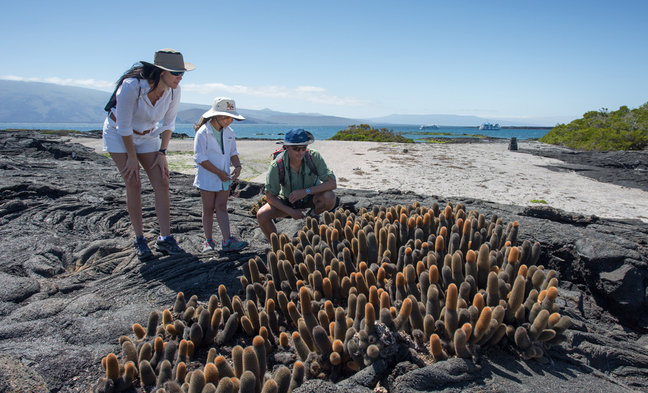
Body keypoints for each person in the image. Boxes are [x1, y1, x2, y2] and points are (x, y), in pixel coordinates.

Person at [102, 48, 194, 260]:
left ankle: (165, 238)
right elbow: (124, 126)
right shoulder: (131, 86)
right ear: (162, 71)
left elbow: (169, 123)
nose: (180, 78)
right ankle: (140, 239)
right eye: (176, 73)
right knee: (133, 182)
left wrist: (162, 152)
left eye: (182, 73)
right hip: (118, 134)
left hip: (148, 135)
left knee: (162, 180)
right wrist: (132, 158)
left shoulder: (173, 90)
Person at [256, 129, 337, 240]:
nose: (300, 152)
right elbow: (270, 196)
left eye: (303, 148)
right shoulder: (276, 165)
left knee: (330, 197)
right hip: (288, 201)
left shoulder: (314, 157)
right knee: (262, 215)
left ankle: (312, 216)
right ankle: (277, 246)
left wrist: (305, 191)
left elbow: (332, 184)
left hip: (311, 198)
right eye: (296, 149)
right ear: (287, 147)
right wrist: (290, 211)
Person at [193, 97, 249, 252]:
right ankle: (208, 241)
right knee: (208, 208)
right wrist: (219, 173)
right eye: (226, 117)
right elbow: (200, 158)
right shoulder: (203, 132)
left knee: (222, 207)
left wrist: (237, 166)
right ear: (215, 115)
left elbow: (233, 152)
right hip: (208, 177)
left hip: (225, 178)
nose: (229, 120)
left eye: (231, 117)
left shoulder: (229, 132)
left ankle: (227, 240)